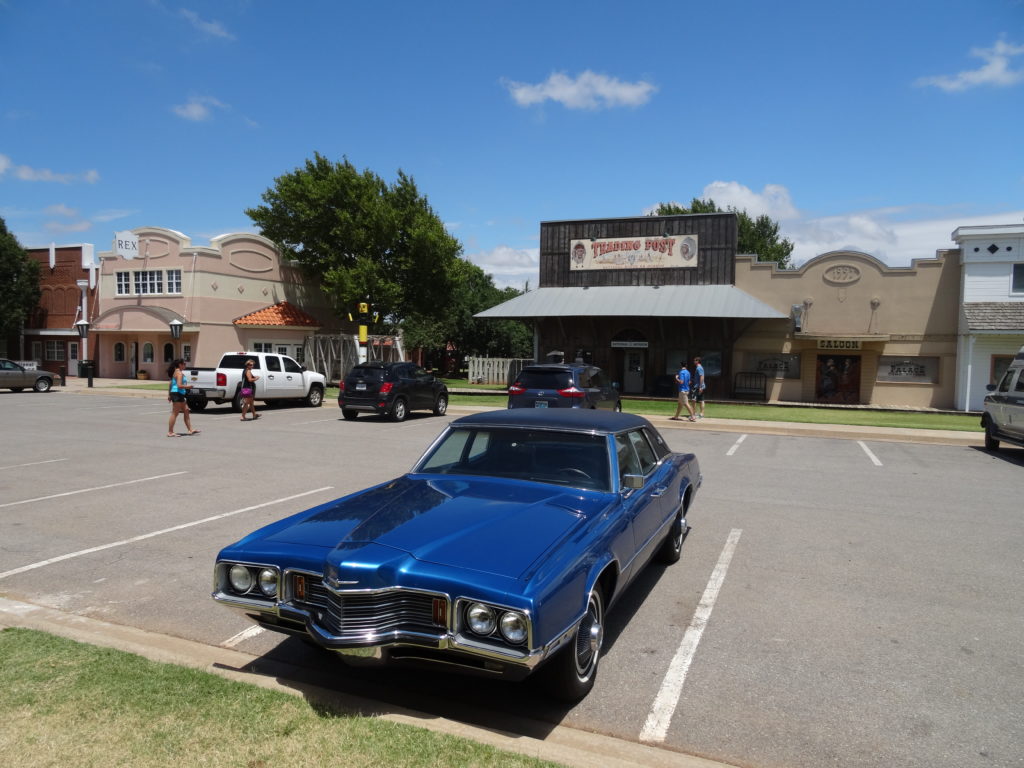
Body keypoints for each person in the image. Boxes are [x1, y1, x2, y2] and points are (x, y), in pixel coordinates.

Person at [167, 359, 200, 437]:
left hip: (178, 393)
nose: (185, 365)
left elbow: (171, 383)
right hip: (177, 393)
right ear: (180, 365)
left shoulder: (176, 372)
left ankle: (190, 429)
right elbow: (179, 385)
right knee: (175, 413)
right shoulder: (179, 373)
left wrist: (169, 394)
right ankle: (170, 432)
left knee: (186, 410)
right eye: (184, 364)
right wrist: (189, 387)